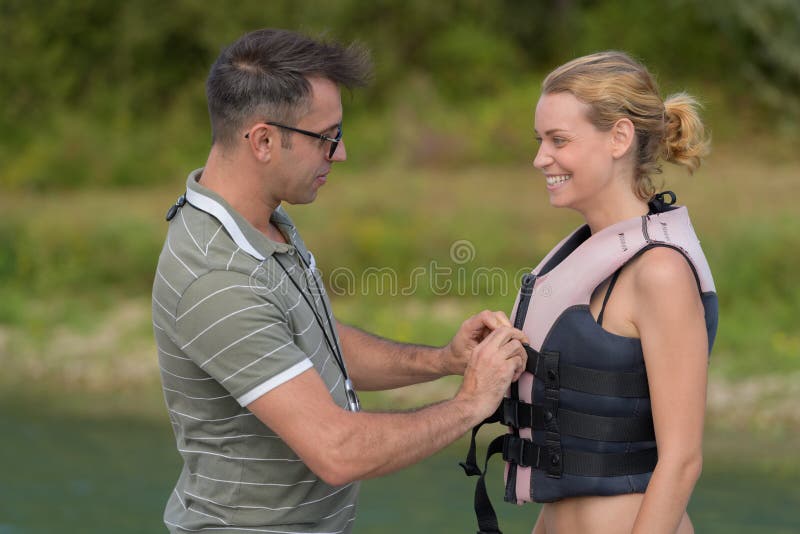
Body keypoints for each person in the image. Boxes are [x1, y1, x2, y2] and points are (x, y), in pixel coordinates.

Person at [152, 28, 527, 533]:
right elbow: (337, 451)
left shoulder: (261, 222)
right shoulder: (217, 278)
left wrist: (442, 361)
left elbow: (307, 343)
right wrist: (470, 405)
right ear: (263, 140)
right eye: (326, 138)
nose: (341, 153)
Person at [462, 51, 717, 534]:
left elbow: (682, 461)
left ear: (619, 137)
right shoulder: (583, 256)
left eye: (559, 140)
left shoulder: (659, 272)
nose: (540, 158)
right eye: (540, 140)